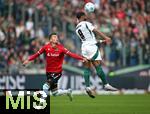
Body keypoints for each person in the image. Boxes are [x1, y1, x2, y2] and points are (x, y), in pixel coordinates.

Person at [23, 33, 87, 102]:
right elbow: (36, 55)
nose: (56, 38)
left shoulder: (61, 48)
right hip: (48, 72)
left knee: (45, 86)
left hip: (57, 72)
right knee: (55, 93)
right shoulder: (46, 47)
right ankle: (68, 91)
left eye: (57, 37)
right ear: (50, 40)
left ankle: (41, 103)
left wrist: (81, 58)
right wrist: (28, 60)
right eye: (54, 37)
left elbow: (71, 54)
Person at [75, 12, 118, 98]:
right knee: (97, 65)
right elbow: (95, 31)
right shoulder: (86, 23)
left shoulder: (77, 28)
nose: (86, 17)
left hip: (84, 48)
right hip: (91, 48)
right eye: (85, 16)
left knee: (87, 67)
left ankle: (87, 87)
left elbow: (89, 39)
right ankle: (106, 85)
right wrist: (105, 37)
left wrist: (102, 41)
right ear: (82, 17)